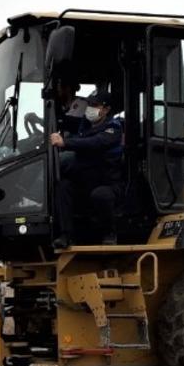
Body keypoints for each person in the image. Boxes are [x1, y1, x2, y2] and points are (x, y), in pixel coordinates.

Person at [50, 84, 124, 247]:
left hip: (107, 184)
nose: (90, 108)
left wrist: (65, 143)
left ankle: (109, 234)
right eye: (89, 104)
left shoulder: (113, 129)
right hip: (85, 183)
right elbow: (68, 123)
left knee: (101, 195)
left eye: (95, 105)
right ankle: (66, 235)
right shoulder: (85, 125)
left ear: (106, 109)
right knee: (63, 186)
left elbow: (94, 143)